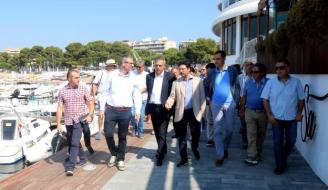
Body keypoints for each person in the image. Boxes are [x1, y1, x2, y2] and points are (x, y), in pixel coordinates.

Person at [261, 58, 305, 175]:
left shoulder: (296, 82)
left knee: (291, 141)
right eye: (276, 68)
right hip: (276, 119)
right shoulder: (271, 82)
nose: (278, 70)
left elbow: (301, 99)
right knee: (277, 143)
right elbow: (265, 100)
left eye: (281, 68)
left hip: (292, 119)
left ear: (287, 68)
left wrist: (299, 113)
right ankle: (279, 165)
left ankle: (283, 158)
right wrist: (269, 115)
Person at [99, 56, 142, 171]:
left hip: (125, 111)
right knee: (108, 133)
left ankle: (121, 158)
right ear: (123, 63)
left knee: (122, 136)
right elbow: (104, 92)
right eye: (130, 63)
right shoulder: (111, 75)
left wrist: (138, 111)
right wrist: (102, 109)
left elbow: (137, 95)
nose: (132, 65)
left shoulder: (134, 77)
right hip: (111, 110)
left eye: (133, 63)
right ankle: (114, 153)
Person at [165, 62, 206, 167]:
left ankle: (194, 148)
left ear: (189, 69)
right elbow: (172, 96)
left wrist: (202, 113)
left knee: (195, 135)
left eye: (183, 69)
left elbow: (202, 98)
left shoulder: (198, 81)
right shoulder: (176, 83)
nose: (181, 71)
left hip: (194, 112)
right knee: (181, 137)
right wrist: (168, 102)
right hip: (181, 112)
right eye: (180, 69)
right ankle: (184, 158)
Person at [204, 50, 240, 166]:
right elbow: (206, 85)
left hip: (230, 104)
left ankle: (225, 148)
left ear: (224, 59)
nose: (216, 61)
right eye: (215, 59)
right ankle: (220, 155)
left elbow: (237, 86)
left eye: (218, 59)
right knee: (218, 130)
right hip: (216, 104)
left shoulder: (232, 70)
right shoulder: (212, 72)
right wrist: (208, 98)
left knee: (229, 130)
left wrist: (236, 101)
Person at [56, 68, 94, 176]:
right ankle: (82, 159)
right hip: (68, 121)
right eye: (76, 77)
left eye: (79, 77)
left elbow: (90, 102)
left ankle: (70, 166)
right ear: (69, 78)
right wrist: (58, 123)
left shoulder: (83, 88)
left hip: (80, 119)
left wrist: (90, 115)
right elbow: (59, 107)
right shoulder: (62, 91)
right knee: (73, 141)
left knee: (73, 142)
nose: (78, 79)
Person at [145, 57, 175, 166]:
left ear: (164, 66)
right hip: (153, 107)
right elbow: (149, 92)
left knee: (162, 132)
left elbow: (173, 93)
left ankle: (160, 155)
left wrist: (170, 105)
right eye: (156, 65)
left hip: (164, 108)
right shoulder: (149, 76)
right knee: (157, 131)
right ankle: (163, 149)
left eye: (160, 65)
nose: (157, 67)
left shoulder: (170, 77)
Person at [239, 63, 268, 165]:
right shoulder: (248, 82)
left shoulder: (269, 83)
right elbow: (243, 97)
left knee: (261, 134)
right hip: (250, 111)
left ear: (262, 73)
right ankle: (252, 156)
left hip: (263, 113)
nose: (253, 74)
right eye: (252, 72)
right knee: (251, 134)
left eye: (255, 72)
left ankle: (258, 152)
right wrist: (241, 110)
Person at [92, 59, 117, 140]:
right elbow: (95, 83)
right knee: (101, 114)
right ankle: (99, 131)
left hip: (112, 96)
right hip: (102, 95)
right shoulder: (101, 72)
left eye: (112, 65)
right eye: (110, 65)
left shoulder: (116, 73)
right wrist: (94, 95)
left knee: (110, 115)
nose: (111, 66)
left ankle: (107, 130)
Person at [238, 59, 254, 149]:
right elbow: (237, 90)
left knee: (251, 125)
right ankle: (245, 141)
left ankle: (251, 142)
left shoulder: (255, 76)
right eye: (247, 65)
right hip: (242, 103)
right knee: (243, 124)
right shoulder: (240, 77)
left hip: (251, 103)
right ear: (243, 67)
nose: (249, 66)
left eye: (250, 64)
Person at [131, 60, 148, 138]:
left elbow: (149, 86)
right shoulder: (132, 73)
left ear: (143, 67)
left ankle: (140, 131)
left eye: (140, 67)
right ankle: (134, 128)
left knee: (140, 115)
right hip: (133, 98)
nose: (138, 68)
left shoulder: (147, 75)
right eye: (137, 67)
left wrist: (142, 90)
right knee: (132, 114)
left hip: (143, 98)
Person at [204, 63, 216, 147]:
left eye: (209, 71)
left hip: (218, 104)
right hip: (208, 104)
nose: (208, 73)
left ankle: (218, 138)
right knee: (209, 122)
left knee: (218, 122)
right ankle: (210, 139)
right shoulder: (205, 80)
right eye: (207, 71)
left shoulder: (219, 79)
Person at [170, 67, 180, 139]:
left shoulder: (181, 80)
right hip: (173, 103)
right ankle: (176, 133)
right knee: (174, 119)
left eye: (175, 72)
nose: (174, 74)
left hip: (180, 103)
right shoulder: (170, 80)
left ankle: (181, 132)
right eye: (173, 73)